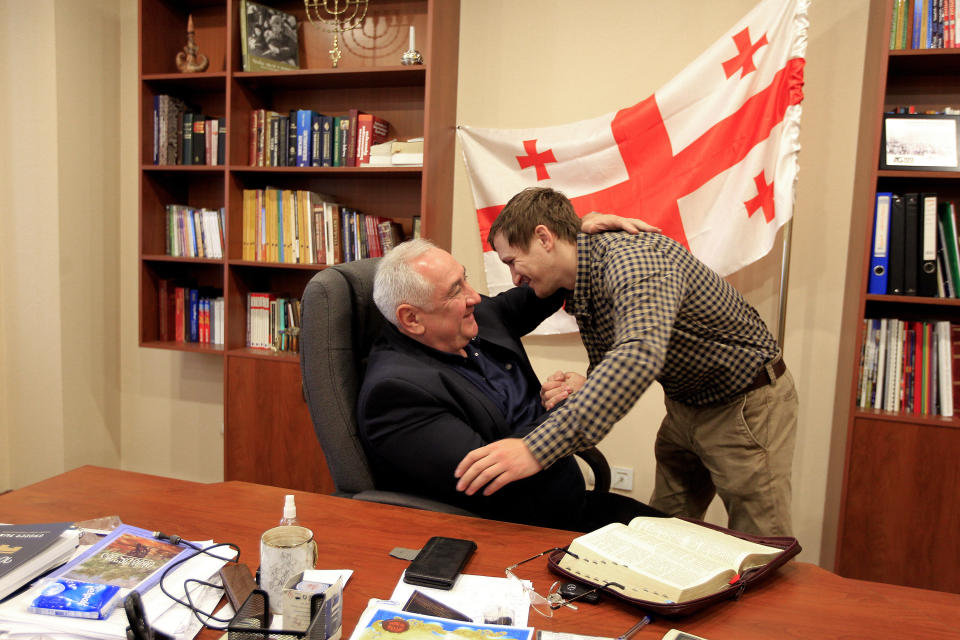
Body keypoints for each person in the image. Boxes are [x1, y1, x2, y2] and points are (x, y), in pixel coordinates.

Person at [454, 187, 798, 537]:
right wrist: (586, 382)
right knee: (664, 529)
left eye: (512, 261)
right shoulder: (582, 273)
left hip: (745, 405)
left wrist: (536, 449)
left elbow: (637, 355)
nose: (514, 278)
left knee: (763, 540)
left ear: (543, 237)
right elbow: (620, 349)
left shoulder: (633, 261)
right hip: (685, 405)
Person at [357, 237, 664, 531]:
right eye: (455, 291)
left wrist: (580, 233)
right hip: (526, 532)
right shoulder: (395, 394)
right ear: (411, 318)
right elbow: (498, 478)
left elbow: (553, 278)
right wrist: (567, 401)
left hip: (572, 503)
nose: (473, 296)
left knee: (691, 542)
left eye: (464, 279)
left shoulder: (475, 317)